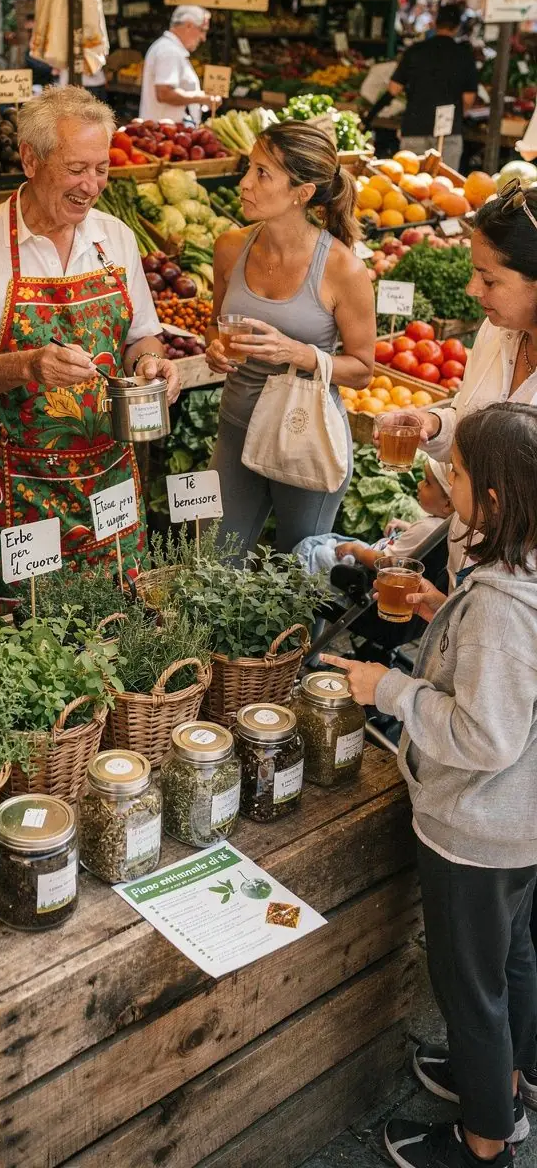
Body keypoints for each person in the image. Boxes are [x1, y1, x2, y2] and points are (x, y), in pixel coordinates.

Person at [323, 402, 537, 1168]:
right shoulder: (517, 577)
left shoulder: (504, 611)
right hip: (520, 827)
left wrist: (389, 689)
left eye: (461, 474)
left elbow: (486, 735)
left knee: (468, 984)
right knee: (510, 959)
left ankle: (484, 1141)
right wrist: (442, 611)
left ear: (497, 501)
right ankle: (501, 1083)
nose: (448, 483)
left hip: (478, 829)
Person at [0, 85, 180, 610]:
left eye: (101, 169)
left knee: (114, 623)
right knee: (23, 641)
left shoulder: (115, 238)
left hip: (109, 475)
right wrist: (27, 365)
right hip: (17, 487)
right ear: (30, 159)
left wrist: (152, 361)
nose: (90, 185)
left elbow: (142, 334)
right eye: (76, 169)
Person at [204, 121, 375, 555]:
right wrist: (214, 348)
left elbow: (362, 371)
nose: (244, 183)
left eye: (262, 173)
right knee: (213, 566)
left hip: (306, 436)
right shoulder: (229, 247)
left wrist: (298, 353)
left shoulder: (343, 270)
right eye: (248, 168)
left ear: (302, 193)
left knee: (302, 573)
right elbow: (214, 324)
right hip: (236, 427)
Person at [375, 179, 537, 587]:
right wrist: (433, 425)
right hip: (464, 566)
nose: (472, 289)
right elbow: (472, 431)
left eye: (489, 279)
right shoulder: (495, 332)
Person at [295, 457, 452, 576]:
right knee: (333, 545)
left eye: (428, 483)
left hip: (364, 570)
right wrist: (407, 527)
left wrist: (355, 550)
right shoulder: (442, 527)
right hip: (371, 555)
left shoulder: (426, 529)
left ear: (447, 504)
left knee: (313, 551)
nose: (419, 484)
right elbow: (423, 540)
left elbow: (383, 562)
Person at [389, 3, 478, 170]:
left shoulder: (415, 51)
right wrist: (460, 113)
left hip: (414, 127)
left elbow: (394, 88)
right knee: (444, 188)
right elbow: (468, 98)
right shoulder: (464, 56)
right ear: (458, 27)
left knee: (409, 186)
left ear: (436, 22)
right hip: (448, 131)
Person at [139, 5, 221, 124]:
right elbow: (164, 94)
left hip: (168, 133)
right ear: (188, 26)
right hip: (164, 134)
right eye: (202, 31)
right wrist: (203, 98)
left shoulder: (169, 48)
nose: (203, 38)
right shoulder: (169, 51)